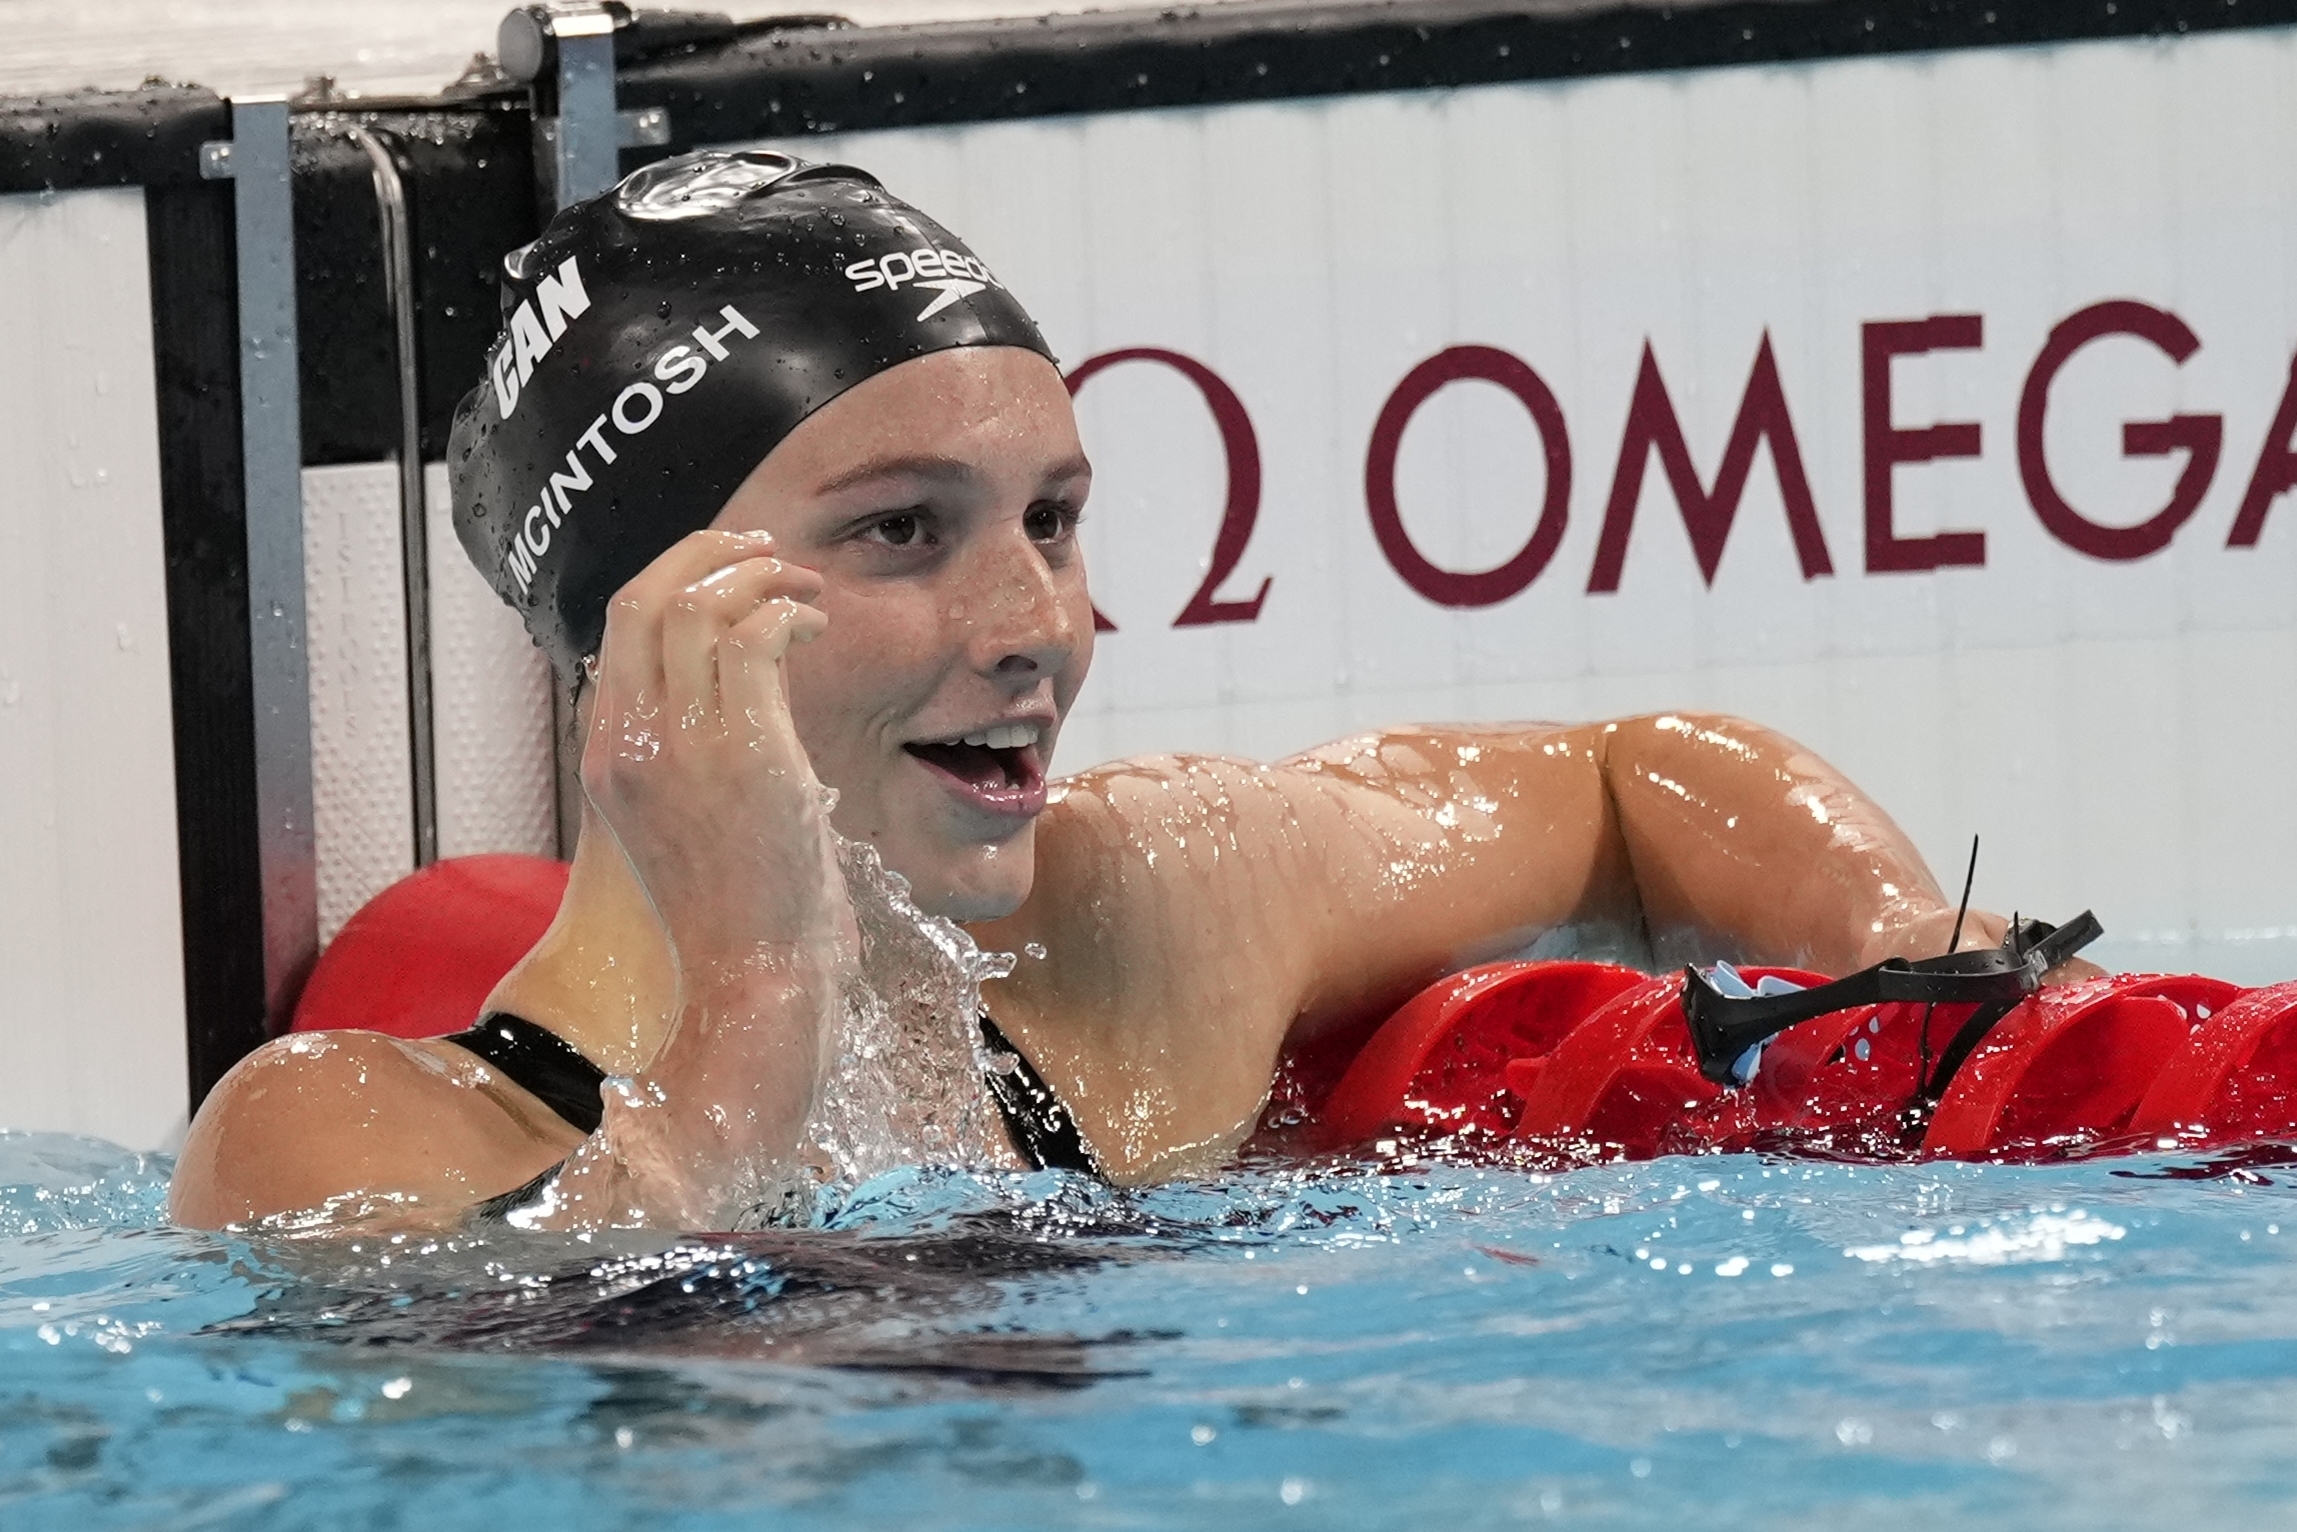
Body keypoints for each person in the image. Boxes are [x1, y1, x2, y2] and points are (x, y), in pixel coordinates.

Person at [168, 150, 2069, 1234]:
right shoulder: (344, 1142)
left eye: (1054, 520)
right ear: (639, 617)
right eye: (902, 531)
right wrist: (762, 982)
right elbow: (614, 1436)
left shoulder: (1150, 912)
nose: (1041, 625)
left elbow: (1620, 777)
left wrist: (1893, 939)